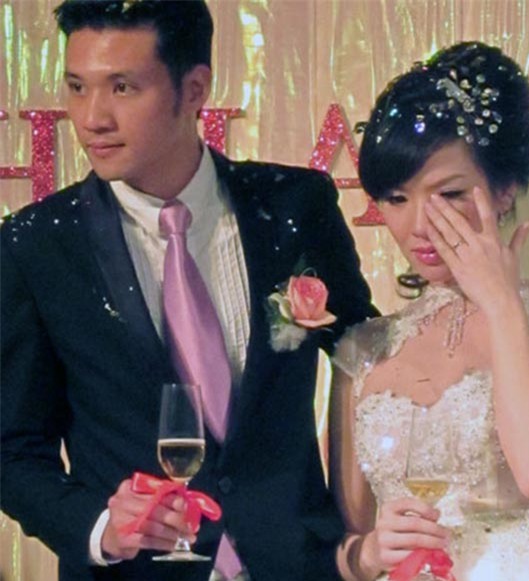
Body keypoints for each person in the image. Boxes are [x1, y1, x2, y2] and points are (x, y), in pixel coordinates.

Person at [0, 1, 377, 580]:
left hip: (296, 565)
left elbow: (372, 358)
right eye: (77, 87)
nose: (92, 117)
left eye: (122, 87)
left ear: (195, 88)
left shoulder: (294, 208)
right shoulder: (38, 246)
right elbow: (12, 450)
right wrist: (100, 528)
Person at [329, 42, 529, 581]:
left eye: (448, 194)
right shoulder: (365, 349)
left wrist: (501, 304)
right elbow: (348, 533)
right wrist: (369, 554)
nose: (419, 225)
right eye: (397, 199)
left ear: (504, 191)